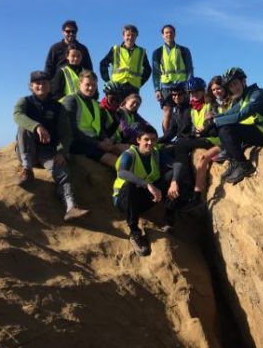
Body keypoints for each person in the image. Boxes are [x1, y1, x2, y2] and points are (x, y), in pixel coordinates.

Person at [12, 71, 90, 221]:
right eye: (37, 83)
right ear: (31, 86)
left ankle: (71, 207)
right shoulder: (24, 102)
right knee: (24, 128)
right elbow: (17, 115)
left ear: (49, 86)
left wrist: (62, 152)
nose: (41, 85)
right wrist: (36, 126)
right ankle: (27, 170)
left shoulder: (58, 108)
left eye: (44, 82)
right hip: (28, 150)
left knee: (64, 172)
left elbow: (66, 134)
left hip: (47, 151)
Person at [201, 67, 263, 184]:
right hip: (256, 131)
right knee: (219, 128)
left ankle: (243, 164)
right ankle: (234, 162)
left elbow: (240, 116)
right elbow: (229, 113)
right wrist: (211, 120)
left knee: (225, 129)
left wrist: (215, 122)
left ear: (243, 81)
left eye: (235, 83)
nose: (233, 88)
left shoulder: (257, 95)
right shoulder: (243, 98)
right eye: (230, 86)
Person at [112, 126, 178, 256]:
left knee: (172, 176)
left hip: (145, 199)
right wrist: (146, 184)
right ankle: (134, 232)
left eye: (153, 140)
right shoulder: (129, 154)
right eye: (146, 139)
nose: (150, 143)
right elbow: (122, 173)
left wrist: (174, 182)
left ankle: (168, 219)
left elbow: (177, 165)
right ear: (138, 140)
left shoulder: (156, 153)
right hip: (124, 201)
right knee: (131, 185)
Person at [168, 77, 222, 207]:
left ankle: (188, 188)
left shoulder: (211, 104)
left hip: (213, 138)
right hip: (201, 138)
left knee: (180, 144)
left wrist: (203, 129)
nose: (194, 95)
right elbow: (194, 127)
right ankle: (191, 193)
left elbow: (211, 123)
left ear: (203, 91)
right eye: (191, 92)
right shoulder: (193, 109)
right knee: (180, 144)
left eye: (197, 92)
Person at [62, 71, 122, 167]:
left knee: (125, 150)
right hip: (77, 143)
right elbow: (71, 130)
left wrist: (105, 138)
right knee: (117, 162)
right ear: (79, 84)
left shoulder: (96, 104)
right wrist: (98, 144)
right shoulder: (71, 100)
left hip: (93, 142)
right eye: (87, 84)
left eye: (94, 85)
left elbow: (99, 128)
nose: (91, 88)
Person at [152, 24, 194, 134]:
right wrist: (157, 89)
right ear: (162, 35)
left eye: (171, 32)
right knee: (167, 111)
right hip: (166, 86)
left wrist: (190, 87)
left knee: (185, 111)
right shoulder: (157, 52)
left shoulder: (184, 50)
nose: (169, 34)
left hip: (182, 85)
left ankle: (185, 135)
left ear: (174, 34)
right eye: (166, 32)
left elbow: (189, 69)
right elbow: (156, 73)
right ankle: (166, 138)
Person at [99, 24, 151, 91]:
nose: (130, 37)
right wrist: (107, 80)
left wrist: (141, 82)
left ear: (136, 36)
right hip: (116, 86)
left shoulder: (141, 52)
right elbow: (103, 64)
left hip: (133, 87)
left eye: (133, 35)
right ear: (123, 36)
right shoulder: (115, 50)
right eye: (128, 35)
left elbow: (148, 69)